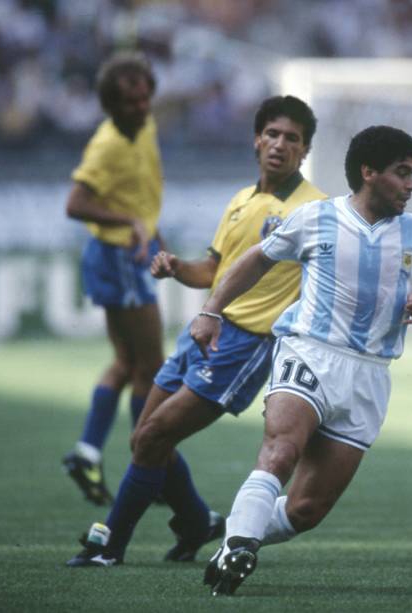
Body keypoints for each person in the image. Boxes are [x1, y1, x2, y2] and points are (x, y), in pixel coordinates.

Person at [66, 95, 327, 566]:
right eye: (272, 134)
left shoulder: (315, 211)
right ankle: (195, 521)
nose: (280, 145)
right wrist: (174, 266)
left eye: (292, 138)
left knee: (153, 437)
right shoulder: (240, 201)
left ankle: (110, 545)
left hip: (245, 344)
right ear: (256, 139)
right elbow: (213, 269)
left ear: (305, 150)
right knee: (144, 437)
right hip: (203, 329)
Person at [194, 125, 412, 596]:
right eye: (403, 173)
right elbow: (254, 261)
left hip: (370, 374)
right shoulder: (316, 219)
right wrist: (211, 311)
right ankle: (241, 548)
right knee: (281, 450)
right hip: (309, 351)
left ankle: (234, 539)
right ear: (369, 173)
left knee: (306, 510)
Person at [61, 52, 166, 506]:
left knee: (126, 361)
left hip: (125, 251)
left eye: (145, 96)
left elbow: (143, 191)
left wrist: (150, 224)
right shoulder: (106, 145)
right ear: (110, 105)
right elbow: (75, 203)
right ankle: (148, 464)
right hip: (118, 255)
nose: (141, 106)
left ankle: (87, 450)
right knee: (151, 366)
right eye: (129, 101)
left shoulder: (144, 126)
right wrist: (131, 221)